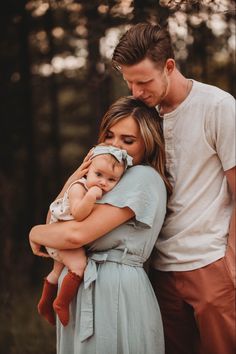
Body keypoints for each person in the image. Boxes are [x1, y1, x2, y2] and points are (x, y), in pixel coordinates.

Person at [112, 22, 236, 354]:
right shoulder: (141, 117)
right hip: (157, 270)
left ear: (169, 66)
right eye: (128, 81)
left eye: (143, 81)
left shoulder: (218, 106)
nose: (135, 91)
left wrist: (232, 263)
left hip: (211, 263)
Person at [29, 96, 172, 354]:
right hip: (85, 287)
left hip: (113, 289)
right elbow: (58, 217)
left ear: (148, 144)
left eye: (127, 141)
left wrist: (35, 231)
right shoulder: (104, 178)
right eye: (109, 136)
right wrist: (74, 180)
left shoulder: (142, 177)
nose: (115, 146)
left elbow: (73, 234)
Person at [37, 144, 133, 327]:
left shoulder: (96, 188)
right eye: (98, 175)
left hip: (61, 235)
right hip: (59, 237)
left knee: (56, 272)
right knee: (79, 266)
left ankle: (44, 304)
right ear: (87, 171)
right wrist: (90, 197)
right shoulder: (78, 188)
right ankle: (61, 303)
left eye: (111, 179)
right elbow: (79, 213)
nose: (103, 182)